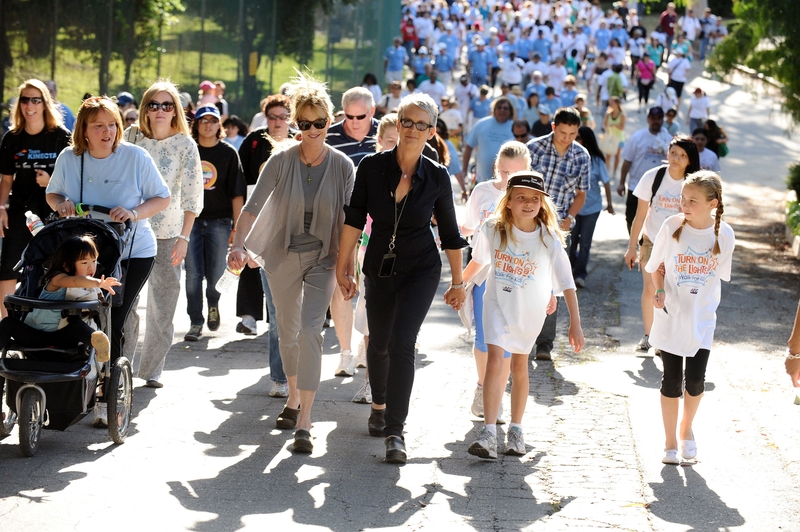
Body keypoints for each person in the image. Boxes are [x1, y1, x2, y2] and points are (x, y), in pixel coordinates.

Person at [336, 93, 468, 464]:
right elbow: (354, 217)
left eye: (420, 125)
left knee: (402, 342)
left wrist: (457, 282)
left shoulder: (438, 176)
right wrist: (343, 264)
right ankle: (378, 404)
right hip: (378, 264)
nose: (411, 130)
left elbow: (452, 234)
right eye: (406, 122)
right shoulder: (371, 167)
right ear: (396, 122)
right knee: (377, 343)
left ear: (431, 131)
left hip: (421, 269)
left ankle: (395, 431)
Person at [228, 72, 355, 454]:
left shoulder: (344, 166)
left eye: (319, 123)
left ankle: (304, 419)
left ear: (329, 122)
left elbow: (350, 221)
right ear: (296, 125)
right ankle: (293, 396)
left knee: (311, 331)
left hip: (324, 257)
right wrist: (237, 245)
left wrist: (348, 268)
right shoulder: (280, 161)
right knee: (286, 331)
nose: (312, 130)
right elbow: (251, 208)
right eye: (304, 124)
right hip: (282, 255)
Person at [47, 96, 170, 424]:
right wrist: (62, 203)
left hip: (132, 250)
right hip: (84, 254)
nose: (107, 131)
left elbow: (162, 197)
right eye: (98, 125)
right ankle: (74, 381)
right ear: (84, 131)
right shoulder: (69, 158)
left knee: (112, 315)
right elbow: (53, 193)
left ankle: (108, 394)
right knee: (74, 315)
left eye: (113, 124)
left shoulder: (135, 157)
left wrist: (133, 212)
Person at [461, 170, 584, 458]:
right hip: (496, 305)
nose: (527, 203)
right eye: (520, 198)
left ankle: (516, 429)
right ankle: (489, 432)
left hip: (529, 310)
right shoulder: (492, 229)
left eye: (534, 199)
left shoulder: (549, 238)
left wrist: (575, 324)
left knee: (519, 366)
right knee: (494, 361)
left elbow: (566, 282)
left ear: (542, 203)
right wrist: (459, 286)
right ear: (508, 201)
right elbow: (478, 262)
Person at [647, 171, 734, 464]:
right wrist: (660, 290)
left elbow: (716, 277)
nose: (684, 204)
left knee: (696, 381)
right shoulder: (672, 226)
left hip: (702, 320)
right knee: (671, 381)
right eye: (683, 199)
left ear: (713, 203)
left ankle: (687, 429)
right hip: (671, 316)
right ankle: (670, 441)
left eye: (692, 200)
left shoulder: (725, 235)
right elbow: (656, 266)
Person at [127, 80, 204, 388]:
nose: (160, 111)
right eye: (154, 105)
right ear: (145, 109)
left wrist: (184, 237)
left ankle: (152, 368)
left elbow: (192, 196)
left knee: (163, 304)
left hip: (168, 234)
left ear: (176, 111)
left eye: (167, 105)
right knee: (126, 302)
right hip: (130, 231)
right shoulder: (131, 138)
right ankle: (123, 365)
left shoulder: (186, 145)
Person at [461, 141, 529, 422]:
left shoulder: (531, 197)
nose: (507, 180)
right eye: (503, 172)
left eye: (514, 174)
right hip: (482, 273)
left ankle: (496, 396)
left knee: (508, 340)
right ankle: (484, 387)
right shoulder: (482, 191)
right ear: (495, 168)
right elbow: (467, 226)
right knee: (484, 337)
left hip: (517, 278)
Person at [0, 234, 118, 396]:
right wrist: (99, 283)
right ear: (67, 266)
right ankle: (94, 338)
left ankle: (97, 340)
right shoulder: (58, 278)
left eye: (94, 261)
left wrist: (97, 288)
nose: (91, 267)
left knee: (76, 325)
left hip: (61, 337)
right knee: (8, 322)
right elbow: (76, 281)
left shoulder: (88, 287)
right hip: (34, 335)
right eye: (84, 263)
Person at [237, 93, 294, 397]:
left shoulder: (303, 143)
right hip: (259, 226)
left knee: (291, 313)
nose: (278, 122)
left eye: (284, 116)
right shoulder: (254, 143)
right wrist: (240, 234)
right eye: (273, 116)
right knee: (275, 308)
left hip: (298, 234)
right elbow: (242, 185)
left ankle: (297, 375)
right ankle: (279, 377)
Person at [0, 79, 71, 319]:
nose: (29, 105)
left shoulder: (61, 137)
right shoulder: (12, 138)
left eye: (35, 100)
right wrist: (1, 207)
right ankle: (8, 327)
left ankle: (49, 325)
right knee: (8, 269)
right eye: (24, 100)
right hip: (20, 211)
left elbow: (72, 177)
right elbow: (7, 179)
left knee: (53, 267)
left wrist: (49, 182)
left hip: (52, 211)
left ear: (44, 103)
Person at [624, 135, 700, 353]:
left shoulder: (693, 184)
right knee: (651, 288)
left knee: (673, 292)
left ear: (690, 160)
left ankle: (667, 338)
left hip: (680, 246)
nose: (676, 158)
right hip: (651, 241)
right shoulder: (653, 177)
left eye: (683, 155)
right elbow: (639, 216)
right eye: (673, 152)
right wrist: (631, 247)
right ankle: (649, 336)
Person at [527, 107, 590, 361]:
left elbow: (582, 193)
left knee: (552, 283)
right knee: (525, 276)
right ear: (554, 127)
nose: (567, 138)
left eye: (573, 133)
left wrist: (570, 218)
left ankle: (544, 343)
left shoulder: (581, 155)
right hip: (528, 223)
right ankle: (521, 336)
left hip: (558, 227)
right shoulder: (534, 148)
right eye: (563, 132)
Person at [326, 87, 380, 377]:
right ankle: (345, 352)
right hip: (341, 222)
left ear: (372, 112)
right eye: (349, 116)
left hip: (377, 227)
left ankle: (365, 343)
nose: (355, 121)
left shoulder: (385, 136)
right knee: (342, 287)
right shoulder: (330, 136)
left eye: (361, 116)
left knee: (371, 291)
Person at [351, 113, 401, 405]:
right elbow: (355, 217)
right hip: (369, 253)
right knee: (371, 324)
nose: (396, 147)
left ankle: (389, 385)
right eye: (390, 141)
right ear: (378, 141)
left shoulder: (417, 170)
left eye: (400, 141)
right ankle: (371, 382)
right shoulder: (370, 170)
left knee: (395, 326)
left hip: (402, 258)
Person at [184, 105, 246, 341]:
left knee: (216, 273)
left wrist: (236, 229)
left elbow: (237, 194)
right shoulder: (189, 151)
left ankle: (213, 304)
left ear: (219, 125)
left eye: (213, 120)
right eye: (203, 120)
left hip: (220, 222)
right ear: (196, 124)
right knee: (192, 274)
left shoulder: (229, 153)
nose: (208, 124)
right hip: (191, 222)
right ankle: (195, 321)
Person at [617, 106, 673, 232]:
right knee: (631, 216)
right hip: (636, 185)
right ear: (648, 119)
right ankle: (634, 243)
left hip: (660, 188)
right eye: (653, 118)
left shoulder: (668, 139)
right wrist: (621, 183)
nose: (656, 121)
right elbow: (627, 162)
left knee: (654, 219)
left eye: (659, 118)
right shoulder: (637, 137)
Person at [570, 126, 614, 287]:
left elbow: (606, 182)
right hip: (572, 207)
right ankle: (569, 272)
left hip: (592, 208)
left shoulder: (596, 160)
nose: (576, 140)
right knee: (571, 241)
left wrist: (609, 204)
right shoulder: (570, 155)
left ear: (587, 140)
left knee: (585, 243)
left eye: (579, 137)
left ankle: (580, 274)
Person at [459, 96, 515, 192]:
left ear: (510, 111)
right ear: (494, 109)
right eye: (499, 107)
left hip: (507, 186)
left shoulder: (515, 127)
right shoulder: (482, 124)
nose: (502, 110)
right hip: (482, 181)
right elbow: (468, 147)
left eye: (505, 108)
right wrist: (464, 170)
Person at [601, 96, 626, 178]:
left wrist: (614, 124)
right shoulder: (608, 114)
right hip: (610, 138)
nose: (610, 104)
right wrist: (607, 127)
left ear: (617, 104)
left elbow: (622, 127)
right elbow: (604, 125)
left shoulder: (622, 115)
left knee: (617, 156)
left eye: (612, 103)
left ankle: (614, 172)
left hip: (619, 138)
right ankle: (607, 172)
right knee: (608, 156)